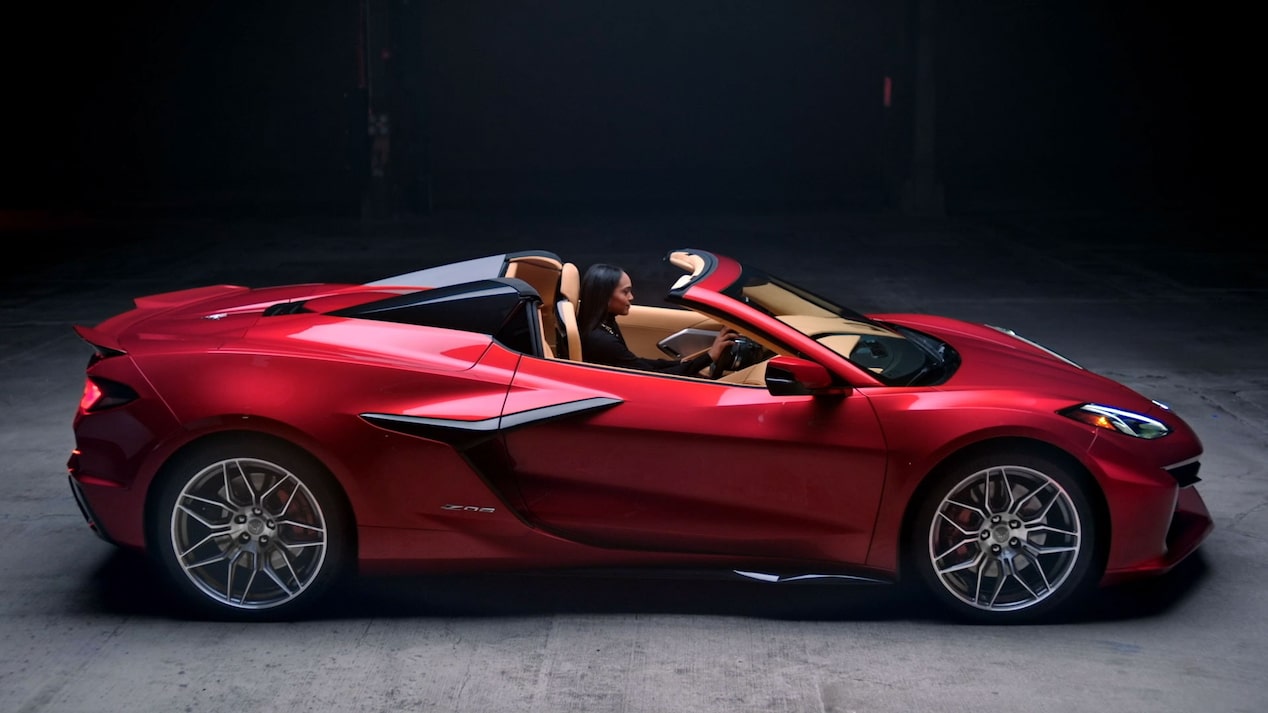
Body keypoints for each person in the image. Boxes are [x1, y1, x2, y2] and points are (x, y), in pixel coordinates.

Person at [577, 263, 737, 376]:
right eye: (625, 292)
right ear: (605, 297)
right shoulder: (601, 341)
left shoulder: (605, 323)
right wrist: (708, 358)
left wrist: (680, 364)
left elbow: (635, 364)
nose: (631, 297)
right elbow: (652, 376)